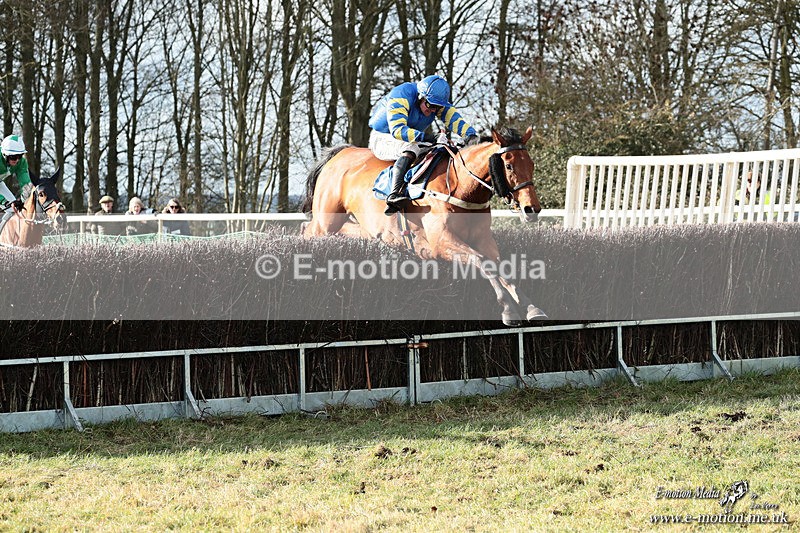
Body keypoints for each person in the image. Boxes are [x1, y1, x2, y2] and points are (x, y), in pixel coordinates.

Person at [368, 74, 480, 214]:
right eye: (430, 105)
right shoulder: (401, 94)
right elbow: (398, 130)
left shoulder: (435, 102)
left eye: (437, 108)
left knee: (439, 150)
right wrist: (430, 137)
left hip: (411, 138)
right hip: (384, 136)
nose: (432, 110)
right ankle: (394, 194)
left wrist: (471, 135)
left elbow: (454, 119)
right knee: (411, 148)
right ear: (421, 97)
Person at [0, 135, 33, 220]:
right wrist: (4, 201)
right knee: (8, 204)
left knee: (13, 209)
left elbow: (25, 183)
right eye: (13, 157)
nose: (17, 160)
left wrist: (26, 199)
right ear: (4, 154)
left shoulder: (21, 162)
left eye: (20, 156)